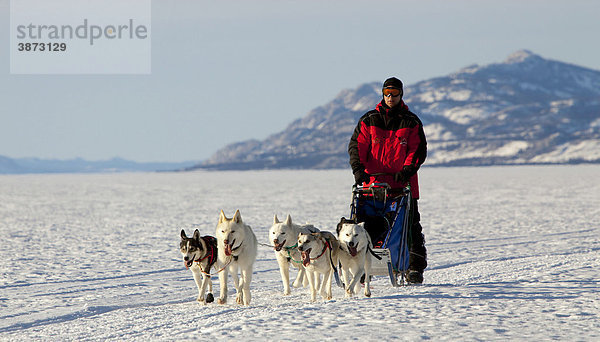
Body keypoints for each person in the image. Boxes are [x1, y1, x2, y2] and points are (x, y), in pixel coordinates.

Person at [348, 77, 428, 284]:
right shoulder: (369, 119)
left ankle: (414, 267)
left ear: (401, 94)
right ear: (382, 95)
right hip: (371, 187)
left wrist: (406, 171)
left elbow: (417, 150)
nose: (390, 97)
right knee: (363, 227)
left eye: (394, 93)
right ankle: (361, 266)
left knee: (410, 227)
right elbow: (357, 147)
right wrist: (359, 171)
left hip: (402, 185)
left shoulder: (411, 122)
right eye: (387, 93)